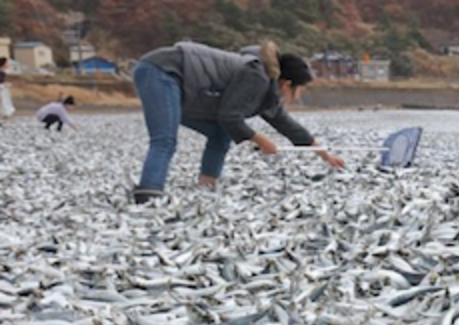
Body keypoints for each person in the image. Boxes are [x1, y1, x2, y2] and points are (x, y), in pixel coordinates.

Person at [130, 40, 344, 204]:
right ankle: (149, 197)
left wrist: (325, 154)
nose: (299, 95)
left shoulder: (268, 87)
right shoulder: (257, 76)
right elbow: (229, 117)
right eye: (301, 89)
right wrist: (260, 140)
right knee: (164, 140)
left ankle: (206, 188)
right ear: (287, 84)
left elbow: (287, 125)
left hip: (185, 87)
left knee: (220, 133)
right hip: (162, 71)